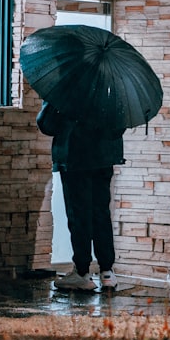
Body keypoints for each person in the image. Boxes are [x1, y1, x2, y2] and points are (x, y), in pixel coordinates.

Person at [37, 101, 125, 291]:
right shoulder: (110, 86)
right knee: (101, 213)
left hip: (75, 157)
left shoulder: (67, 86)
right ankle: (107, 272)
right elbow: (119, 127)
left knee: (79, 215)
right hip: (104, 157)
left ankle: (82, 272)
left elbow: (46, 124)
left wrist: (51, 103)